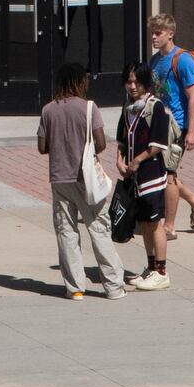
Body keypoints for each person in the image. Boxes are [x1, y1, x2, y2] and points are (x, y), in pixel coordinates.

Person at [37, 60, 125, 300]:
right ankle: (114, 286)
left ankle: (75, 287)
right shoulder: (89, 108)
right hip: (86, 179)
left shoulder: (48, 110)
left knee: (66, 230)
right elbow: (101, 143)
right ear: (80, 82)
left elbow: (42, 147)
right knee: (98, 228)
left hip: (59, 178)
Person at [142, 13, 194, 236]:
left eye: (158, 33)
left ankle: (169, 226)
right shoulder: (154, 61)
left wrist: (191, 131)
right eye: (152, 32)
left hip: (177, 125)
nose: (153, 37)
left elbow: (192, 96)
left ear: (170, 34)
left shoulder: (182, 59)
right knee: (162, 172)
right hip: (159, 125)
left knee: (169, 174)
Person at [116, 71, 182, 288]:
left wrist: (138, 160)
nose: (132, 86)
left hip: (152, 174)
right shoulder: (128, 109)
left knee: (155, 224)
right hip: (136, 176)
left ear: (146, 83)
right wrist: (120, 161)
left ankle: (162, 272)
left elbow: (158, 144)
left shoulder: (156, 108)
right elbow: (122, 140)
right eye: (129, 82)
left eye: (137, 82)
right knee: (144, 223)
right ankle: (151, 267)